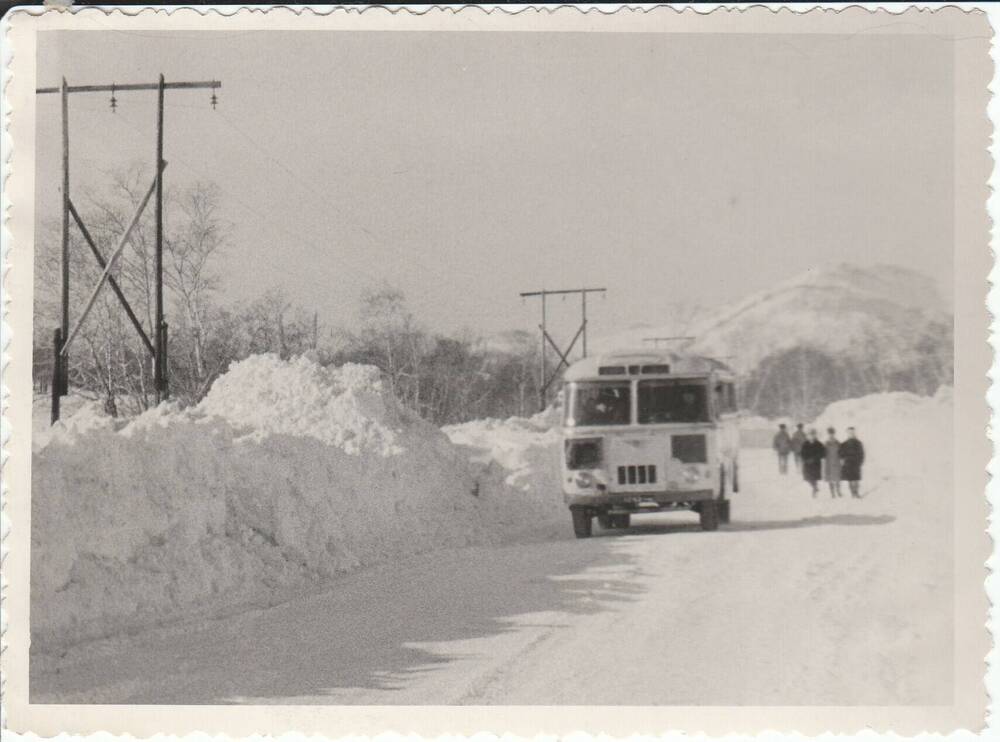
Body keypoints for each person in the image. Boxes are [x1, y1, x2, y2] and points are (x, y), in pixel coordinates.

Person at [839, 426, 866, 498]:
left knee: (856, 479)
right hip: (848, 464)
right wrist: (842, 461)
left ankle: (856, 492)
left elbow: (862, 453)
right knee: (850, 479)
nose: (851, 434)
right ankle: (852, 493)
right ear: (847, 433)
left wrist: (861, 462)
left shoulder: (859, 443)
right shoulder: (844, 444)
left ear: (854, 433)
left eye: (852, 432)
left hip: (856, 463)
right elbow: (841, 454)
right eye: (849, 433)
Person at [800, 428, 825, 496]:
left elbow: (822, 454)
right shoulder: (805, 444)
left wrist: (815, 458)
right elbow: (802, 453)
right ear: (808, 436)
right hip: (807, 464)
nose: (811, 436)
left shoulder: (819, 444)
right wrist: (805, 459)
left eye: (813, 434)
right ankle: (815, 487)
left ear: (815, 435)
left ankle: (814, 489)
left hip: (815, 464)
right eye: (810, 435)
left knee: (814, 477)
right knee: (807, 478)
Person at [824, 427, 843, 498]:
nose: (831, 435)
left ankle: (838, 491)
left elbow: (841, 452)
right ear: (828, 434)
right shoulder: (826, 443)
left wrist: (841, 459)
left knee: (837, 477)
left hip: (836, 461)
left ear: (834, 434)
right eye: (829, 434)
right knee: (830, 478)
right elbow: (823, 453)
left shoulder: (838, 443)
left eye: (832, 434)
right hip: (828, 462)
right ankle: (832, 493)